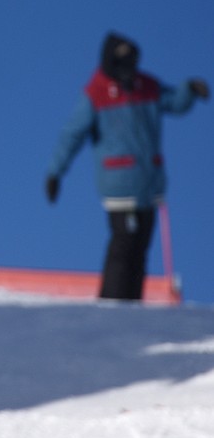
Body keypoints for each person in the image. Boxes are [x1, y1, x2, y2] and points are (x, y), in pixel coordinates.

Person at [45, 32, 208, 300]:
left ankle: (132, 305)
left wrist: (189, 89)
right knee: (124, 245)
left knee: (141, 248)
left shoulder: (146, 86)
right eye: (122, 66)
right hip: (120, 185)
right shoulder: (96, 94)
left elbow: (174, 102)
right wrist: (55, 172)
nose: (128, 72)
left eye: (132, 65)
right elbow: (71, 135)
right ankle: (111, 303)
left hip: (149, 183)